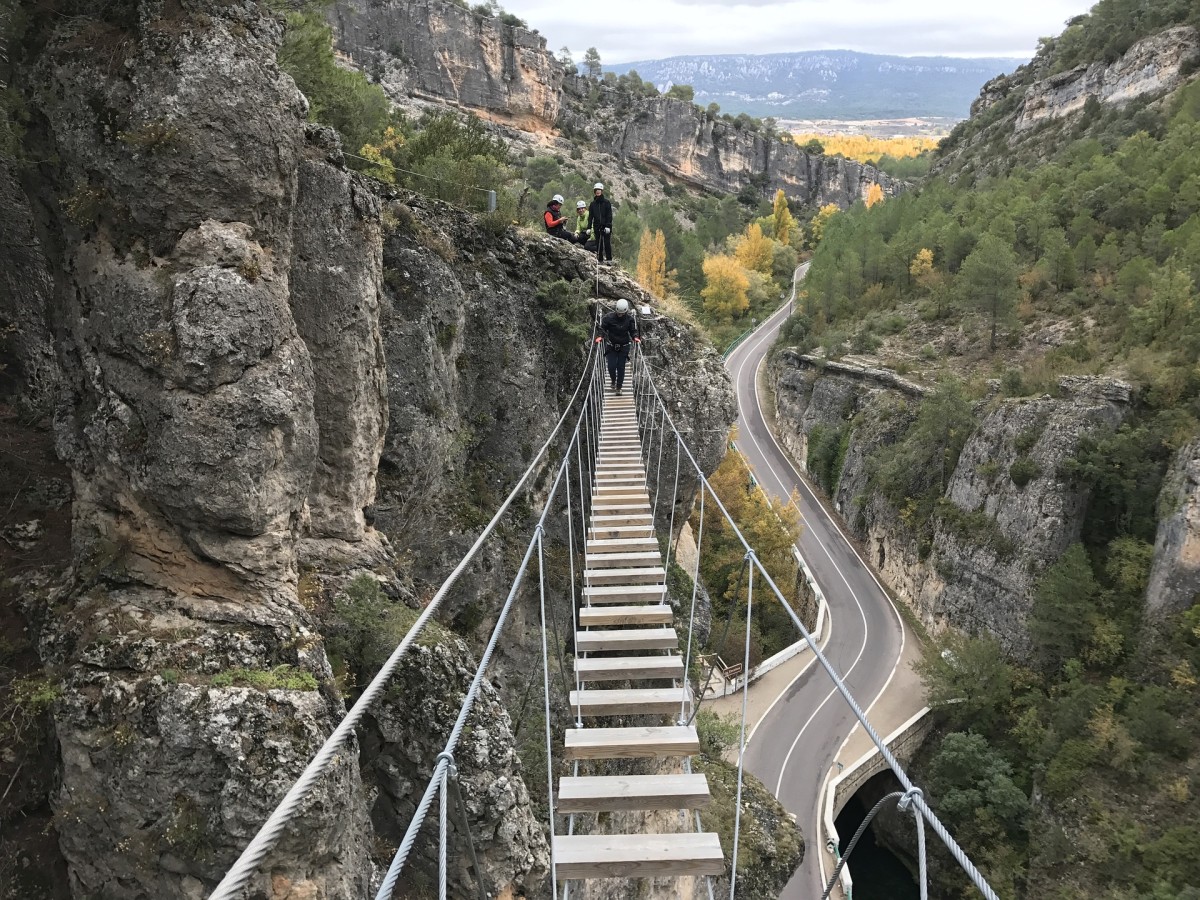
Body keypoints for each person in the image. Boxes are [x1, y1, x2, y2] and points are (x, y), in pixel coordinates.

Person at [594, 298, 640, 394]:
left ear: (626, 311)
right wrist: (600, 336)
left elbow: (632, 330)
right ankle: (613, 380)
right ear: (616, 310)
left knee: (620, 367)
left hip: (624, 346)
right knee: (611, 366)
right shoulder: (608, 318)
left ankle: (619, 387)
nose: (620, 315)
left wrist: (635, 337)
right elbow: (603, 329)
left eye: (622, 313)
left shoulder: (630, 320)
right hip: (611, 346)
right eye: (618, 313)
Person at [587, 182, 613, 263]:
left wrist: (608, 226)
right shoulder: (592, 204)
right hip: (597, 226)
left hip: (606, 226)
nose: (598, 191)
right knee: (599, 243)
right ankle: (600, 259)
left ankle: (609, 259)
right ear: (594, 192)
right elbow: (590, 217)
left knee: (607, 243)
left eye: (599, 190)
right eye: (596, 190)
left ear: (602, 191)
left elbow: (609, 215)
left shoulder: (606, 202)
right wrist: (588, 227)